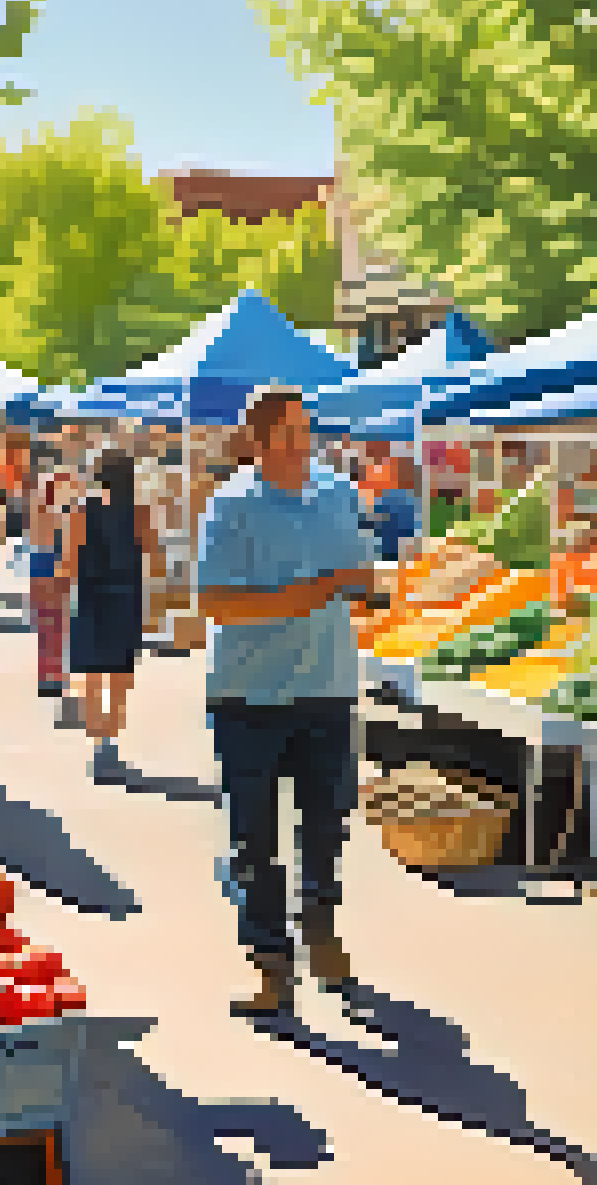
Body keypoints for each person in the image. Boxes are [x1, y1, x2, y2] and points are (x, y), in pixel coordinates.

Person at [197, 386, 375, 1018]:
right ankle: (271, 965)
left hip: (327, 687)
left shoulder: (340, 495)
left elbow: (362, 579)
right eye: (289, 435)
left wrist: (366, 584)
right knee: (253, 841)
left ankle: (322, 935)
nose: (302, 445)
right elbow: (215, 604)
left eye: (306, 432)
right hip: (248, 696)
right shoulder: (230, 506)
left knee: (326, 827)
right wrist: (310, 593)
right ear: (258, 440)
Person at [64, 449, 156, 771]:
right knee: (120, 671)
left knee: (91, 671)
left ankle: (96, 741)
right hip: (126, 595)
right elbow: (150, 558)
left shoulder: (81, 512)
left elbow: (69, 562)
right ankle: (110, 742)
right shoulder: (140, 513)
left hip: (91, 594)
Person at [24, 447, 74, 699]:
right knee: (57, 623)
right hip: (54, 559)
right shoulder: (60, 504)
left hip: (41, 561)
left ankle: (50, 676)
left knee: (47, 625)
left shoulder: (36, 500)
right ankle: (55, 676)